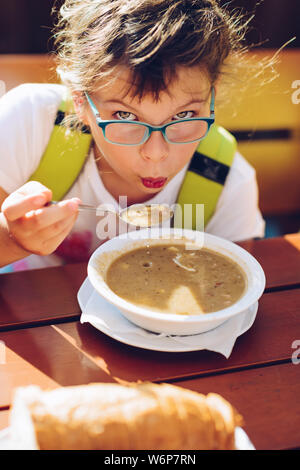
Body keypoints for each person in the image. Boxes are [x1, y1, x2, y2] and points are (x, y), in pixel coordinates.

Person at [0, 0, 265, 271]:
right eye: (125, 116)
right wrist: (12, 240)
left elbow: (230, 291)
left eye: (184, 115)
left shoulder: (227, 183)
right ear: (80, 101)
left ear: (213, 94)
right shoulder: (30, 123)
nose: (156, 153)